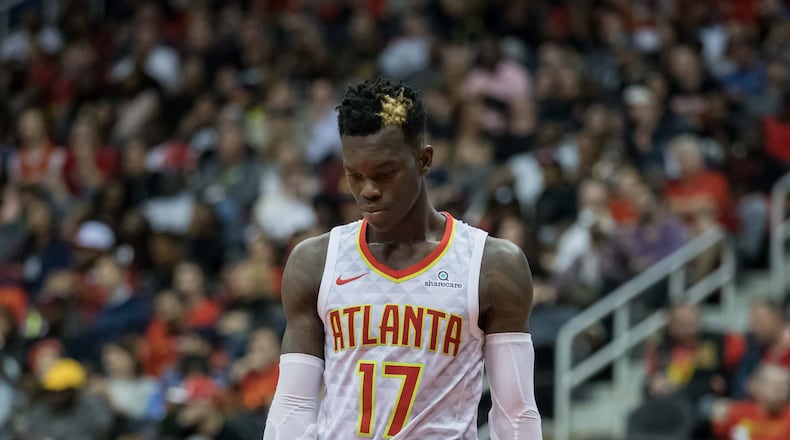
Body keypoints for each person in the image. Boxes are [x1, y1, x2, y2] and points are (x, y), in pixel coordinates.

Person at [263, 77, 541, 439]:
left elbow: (516, 413)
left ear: (423, 159)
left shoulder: (491, 265)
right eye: (354, 175)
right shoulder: (315, 261)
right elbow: (294, 405)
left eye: (385, 174)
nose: (368, 190)